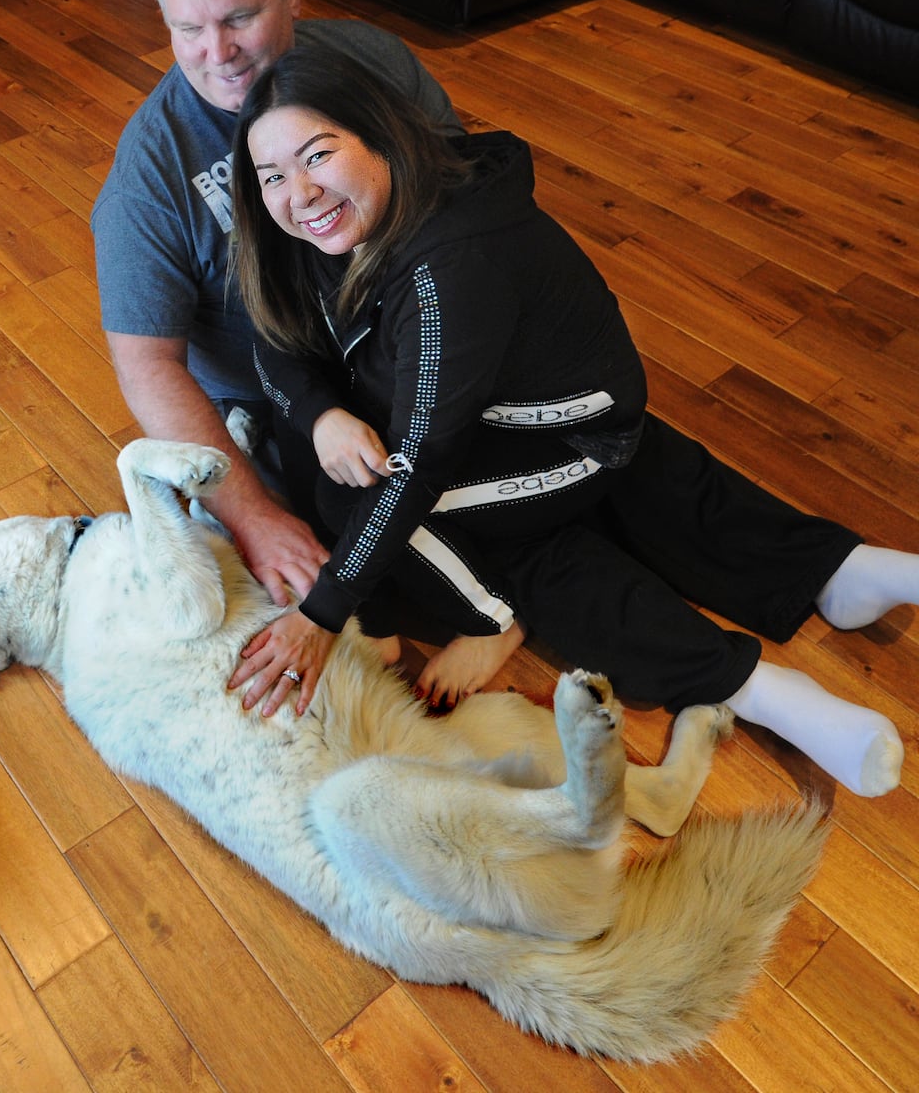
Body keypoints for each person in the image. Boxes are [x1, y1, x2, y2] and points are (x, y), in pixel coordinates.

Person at [223, 39, 910, 798]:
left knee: (409, 510)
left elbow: (418, 467)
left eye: (319, 156)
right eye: (273, 176)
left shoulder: (449, 264)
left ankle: (756, 690)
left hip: (573, 438)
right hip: (556, 415)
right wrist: (321, 416)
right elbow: (275, 339)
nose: (300, 192)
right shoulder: (326, 227)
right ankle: (833, 569)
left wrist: (322, 614)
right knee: (610, 480)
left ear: (381, 133)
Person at [92, 0, 527, 694]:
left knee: (502, 437)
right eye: (185, 28)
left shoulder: (376, 62)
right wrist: (255, 519)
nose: (213, 55)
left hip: (406, 335)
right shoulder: (146, 178)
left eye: (238, 17)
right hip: (286, 388)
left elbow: (464, 218)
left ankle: (500, 602)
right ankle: (429, 598)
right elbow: (147, 362)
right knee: (328, 509)